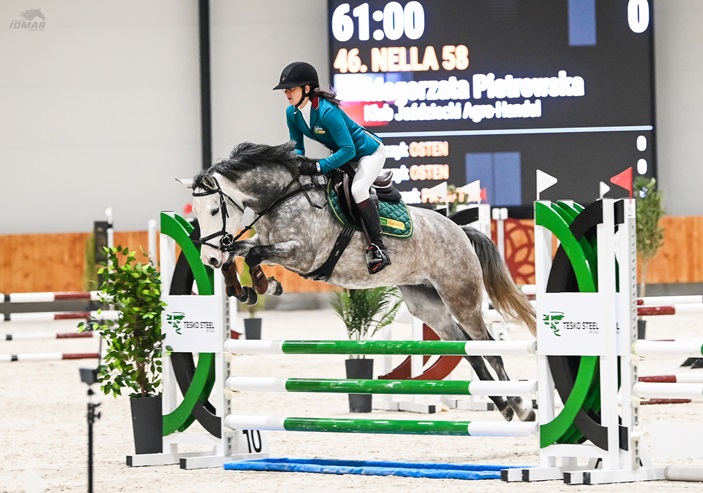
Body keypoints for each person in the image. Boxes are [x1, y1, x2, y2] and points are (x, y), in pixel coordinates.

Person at [273, 61, 391, 274]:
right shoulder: (292, 113)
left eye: (291, 88)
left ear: (306, 89)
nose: (287, 93)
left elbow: (349, 150)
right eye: (285, 90)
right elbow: (297, 147)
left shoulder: (327, 111)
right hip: (344, 155)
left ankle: (378, 247)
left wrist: (318, 165)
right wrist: (293, 164)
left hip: (368, 153)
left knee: (358, 189)